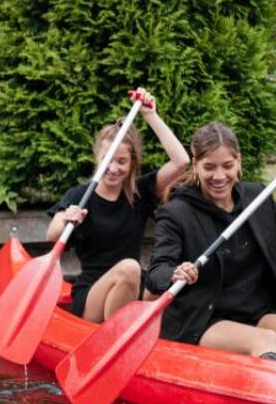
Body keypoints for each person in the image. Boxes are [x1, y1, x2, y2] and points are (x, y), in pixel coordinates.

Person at [145, 122, 276, 363]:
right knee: (263, 341)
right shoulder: (176, 212)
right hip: (204, 319)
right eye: (209, 167)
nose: (219, 176)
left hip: (256, 313)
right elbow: (157, 273)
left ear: (238, 161)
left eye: (227, 166)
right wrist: (175, 273)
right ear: (196, 165)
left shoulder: (256, 197)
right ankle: (275, 396)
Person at [46, 89, 189, 323]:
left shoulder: (140, 193)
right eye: (107, 160)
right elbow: (52, 235)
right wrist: (65, 219)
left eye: (122, 161)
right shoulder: (80, 195)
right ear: (97, 157)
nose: (113, 168)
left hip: (133, 286)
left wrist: (150, 115)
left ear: (132, 163)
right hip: (93, 295)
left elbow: (181, 161)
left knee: (162, 282)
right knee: (130, 268)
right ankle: (116, 336)